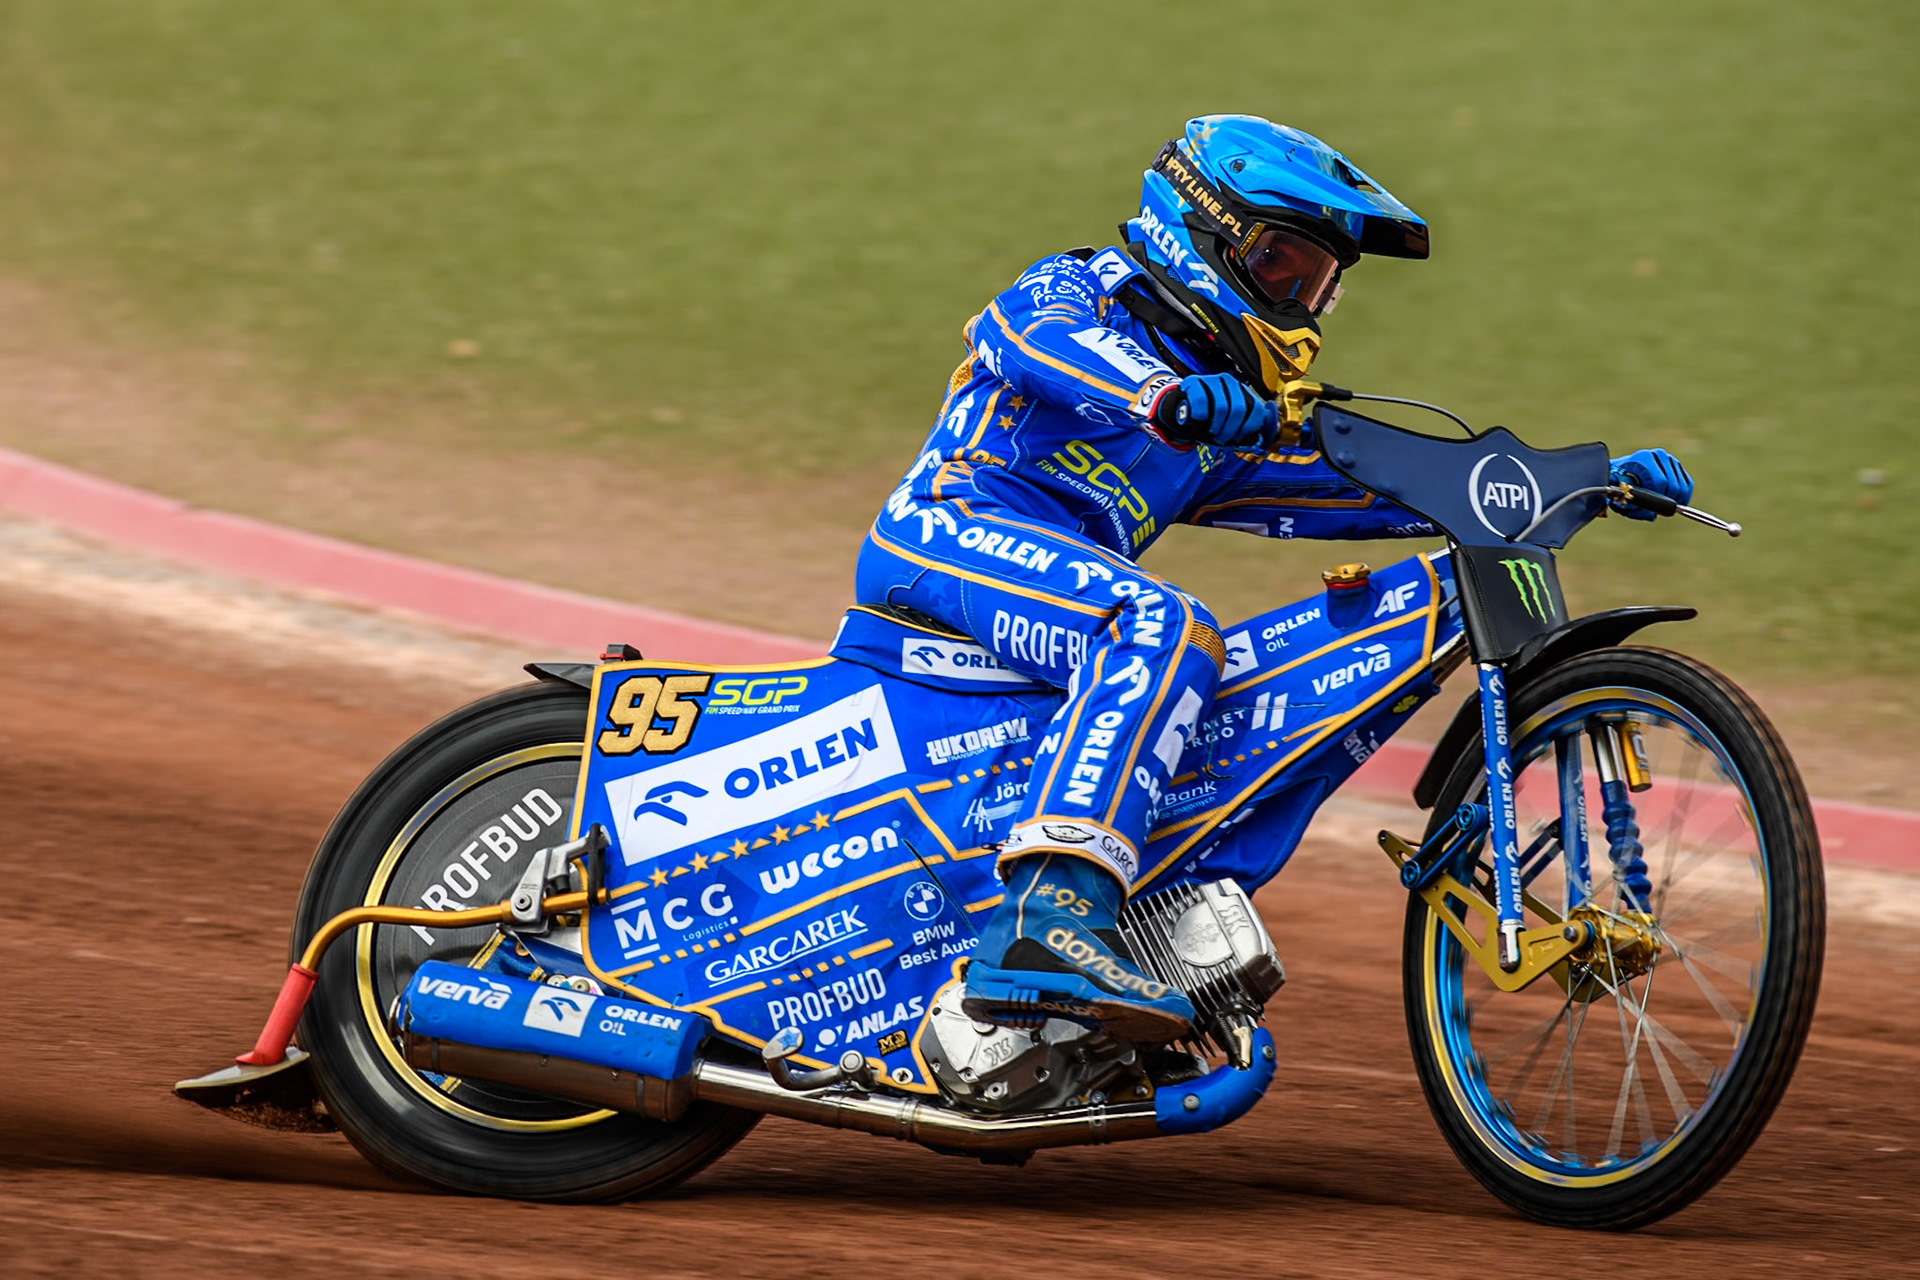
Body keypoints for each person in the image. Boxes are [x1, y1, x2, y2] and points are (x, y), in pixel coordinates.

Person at [854, 114, 1693, 1040]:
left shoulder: (1222, 420)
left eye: (1318, 283)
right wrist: (1161, 396)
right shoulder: (1080, 289)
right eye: (1280, 264)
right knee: (1162, 627)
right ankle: (1044, 924)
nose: (1299, 300)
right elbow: (1036, 341)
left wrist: (1574, 485)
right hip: (944, 530)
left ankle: (1139, 929)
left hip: (1052, 599)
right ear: (1198, 231)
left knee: (1235, 697)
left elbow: (1369, 490)